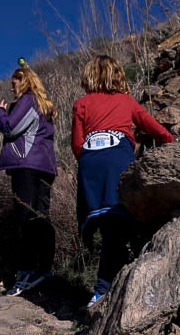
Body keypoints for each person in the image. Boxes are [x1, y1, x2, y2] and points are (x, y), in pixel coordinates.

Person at [72, 55, 174, 308]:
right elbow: (153, 128)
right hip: (117, 159)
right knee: (120, 224)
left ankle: (101, 287)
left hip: (90, 163)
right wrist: (172, 141)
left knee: (104, 223)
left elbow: (76, 144)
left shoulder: (82, 103)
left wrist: (88, 160)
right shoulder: (126, 101)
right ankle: (107, 289)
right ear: (117, 75)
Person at [0, 62, 58, 296]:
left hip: (26, 165)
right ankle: (44, 270)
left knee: (27, 219)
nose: (12, 89)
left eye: (14, 84)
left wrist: (0, 112)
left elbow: (10, 127)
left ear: (25, 82)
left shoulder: (28, 100)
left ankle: (27, 272)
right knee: (41, 217)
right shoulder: (43, 105)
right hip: (44, 167)